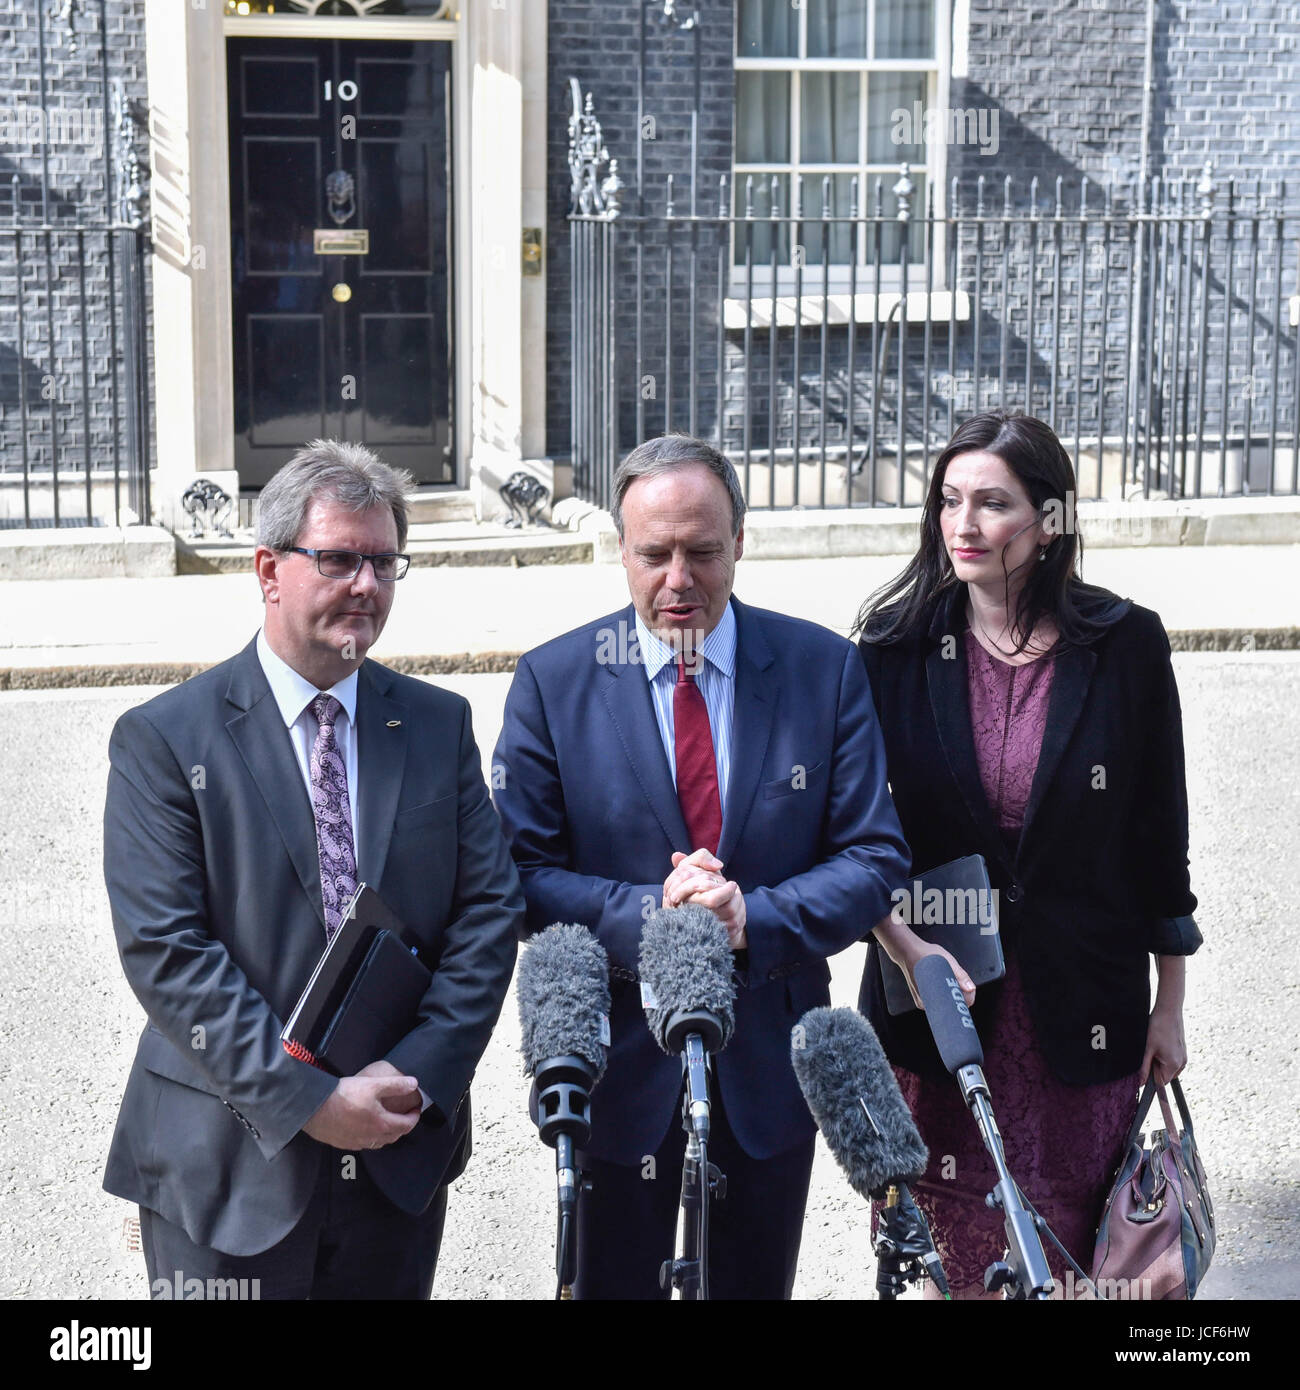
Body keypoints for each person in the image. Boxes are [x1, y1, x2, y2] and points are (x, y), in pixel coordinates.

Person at [102, 439, 523, 1299]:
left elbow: (486, 916)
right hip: (226, 1166)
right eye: (338, 559)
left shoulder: (438, 727)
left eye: (383, 562)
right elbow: (168, 953)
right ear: (268, 570)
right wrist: (306, 1099)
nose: (366, 585)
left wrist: (416, 1077)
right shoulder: (164, 740)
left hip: (396, 1155)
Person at [492, 433, 909, 1299]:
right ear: (621, 551)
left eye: (702, 552)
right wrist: (661, 913)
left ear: (741, 544)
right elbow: (520, 874)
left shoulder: (821, 670)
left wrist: (750, 917)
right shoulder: (553, 681)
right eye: (654, 555)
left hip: (768, 1065)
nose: (678, 579)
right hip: (617, 1077)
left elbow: (874, 857)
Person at [855, 410, 1200, 1300]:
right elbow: (857, 838)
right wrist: (905, 946)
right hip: (942, 1009)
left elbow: (1159, 841)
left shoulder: (1124, 646)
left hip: (1081, 1013)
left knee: (1076, 1255)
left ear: (1050, 522)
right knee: (940, 1250)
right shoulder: (892, 652)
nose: (963, 525)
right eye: (949, 501)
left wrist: (1170, 1007)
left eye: (993, 504)